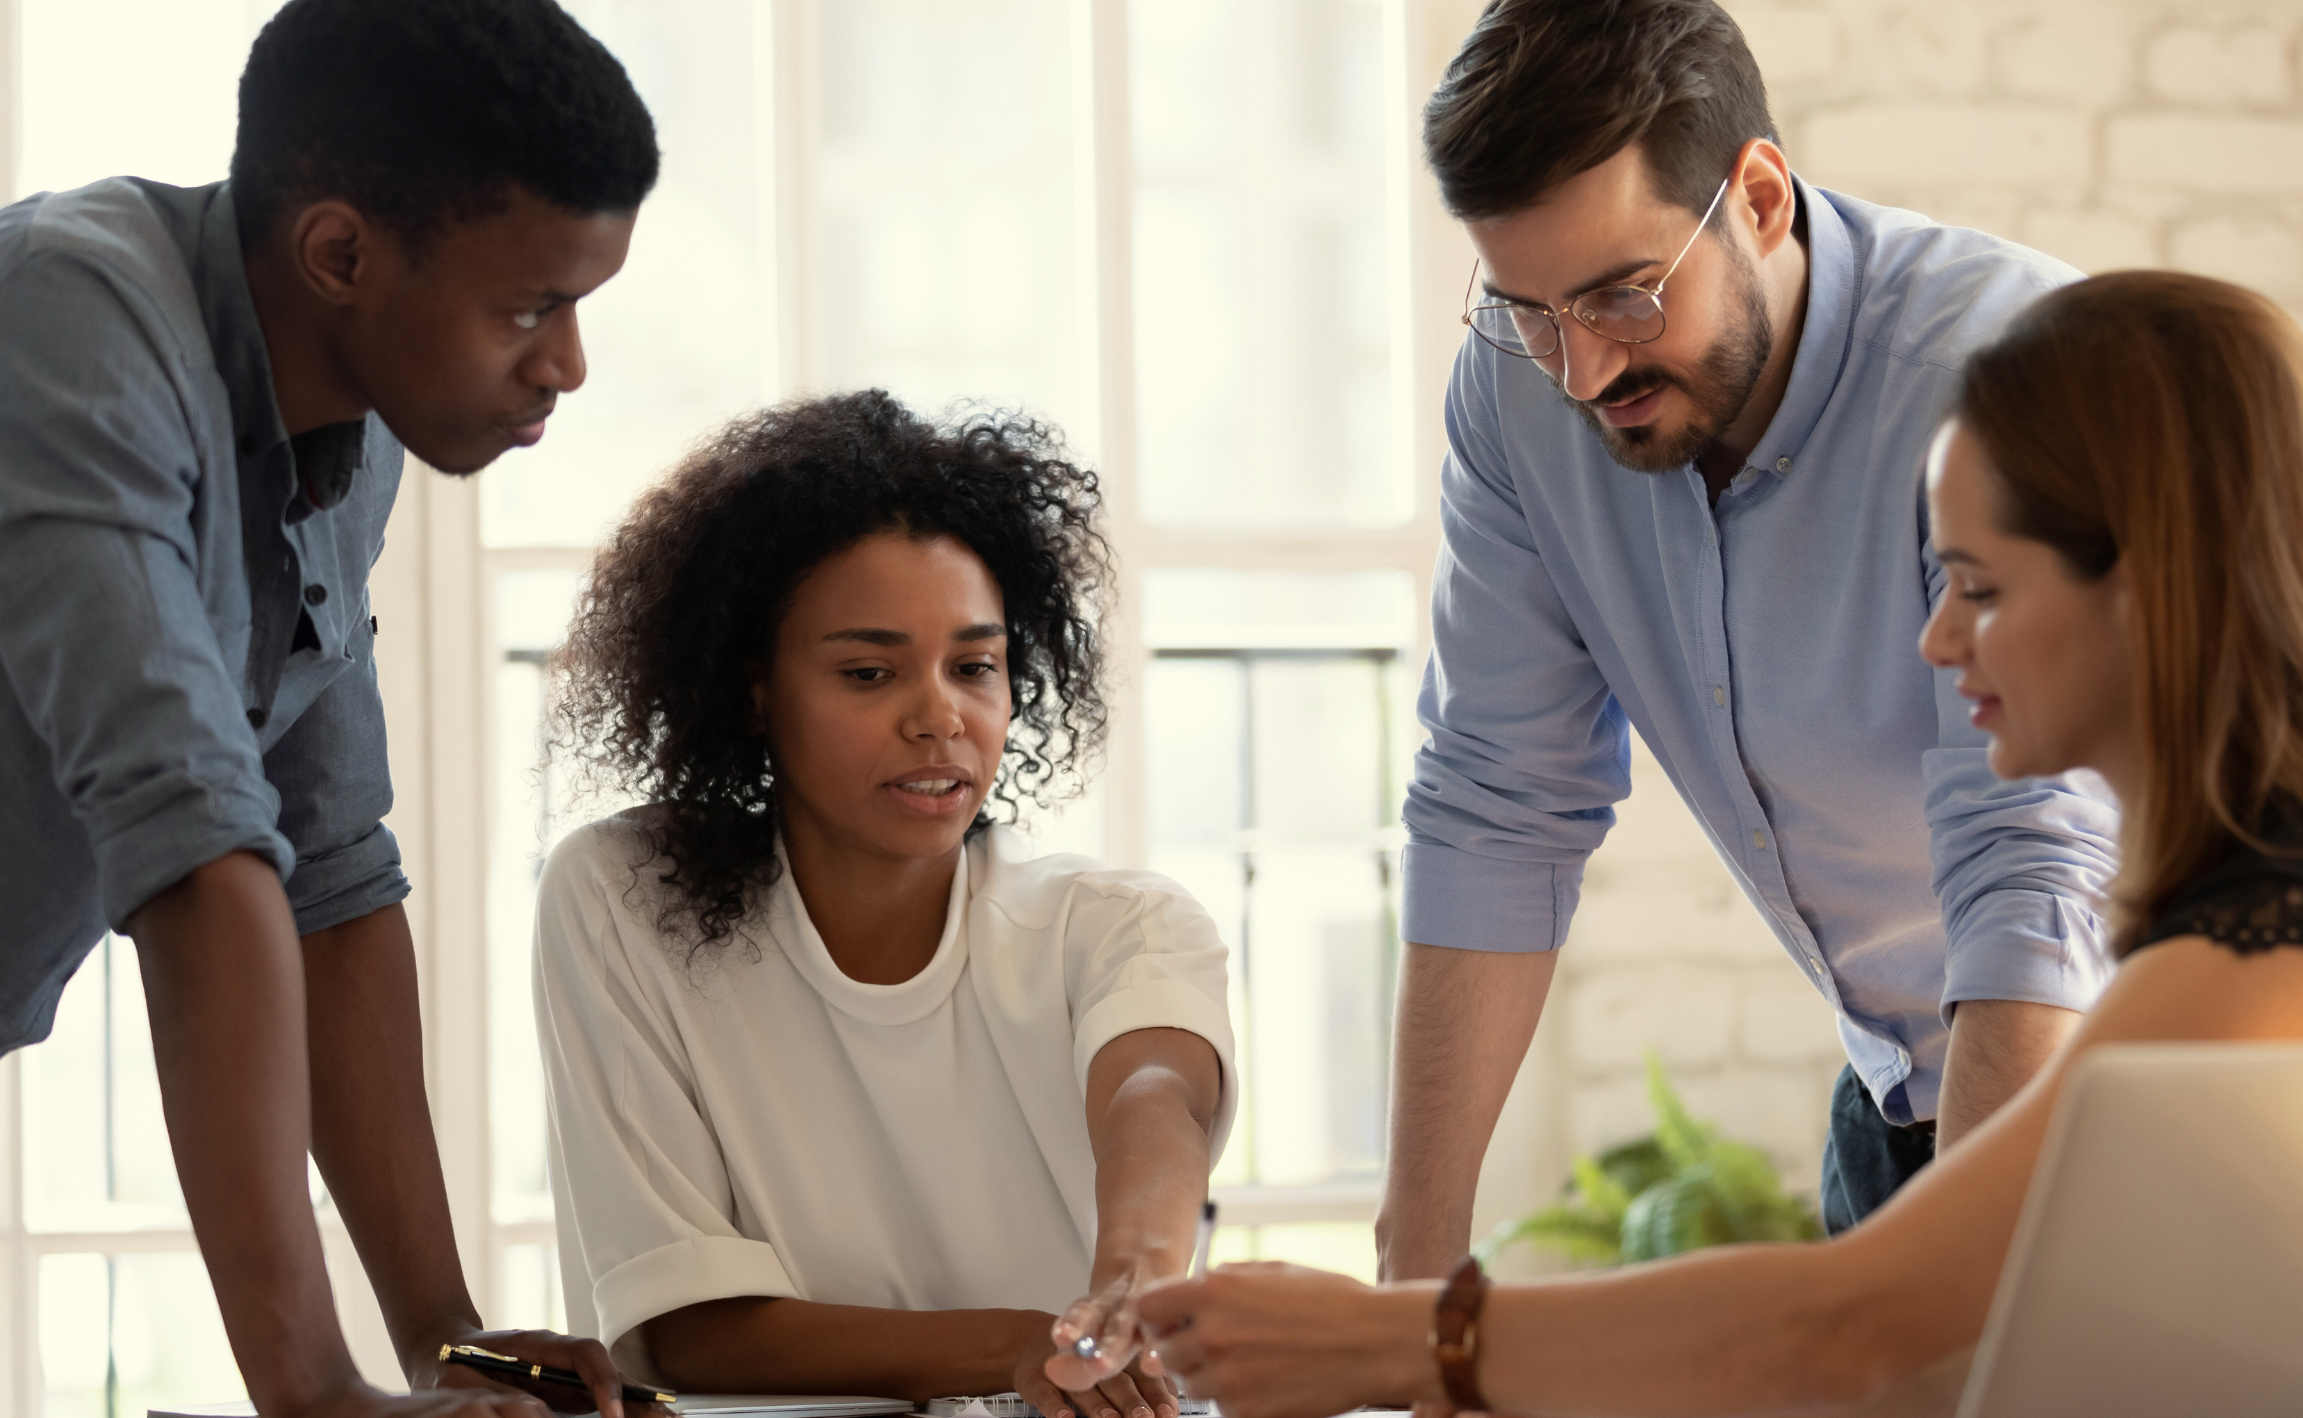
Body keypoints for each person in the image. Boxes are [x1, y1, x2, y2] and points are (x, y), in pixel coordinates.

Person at [1137, 272, 2303, 1418]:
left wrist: (1398, 1339)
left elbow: (1858, 1315)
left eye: (1983, 586)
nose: (1937, 637)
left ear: (2152, 586)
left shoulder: (2274, 955)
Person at [1378, 0, 2120, 1280]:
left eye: (1621, 295)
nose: (1579, 372)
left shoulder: (2005, 368)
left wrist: (1946, 1291)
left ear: (1761, 197)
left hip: (2106, 1106)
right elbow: (1497, 803)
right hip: (1897, 1092)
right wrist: (1410, 1290)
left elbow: (2030, 865)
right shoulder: (1517, 390)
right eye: (1527, 307)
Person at [0, 2, 657, 1414]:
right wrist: (318, 1394)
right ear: (342, 254)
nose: (569, 364)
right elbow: (190, 844)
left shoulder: (352, 447)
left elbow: (336, 882)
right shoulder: (70, 311)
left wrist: (443, 1335)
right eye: (532, 305)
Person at [533, 393, 1235, 1418]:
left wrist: (1130, 1283)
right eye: (869, 671)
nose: (939, 715)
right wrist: (1018, 1345)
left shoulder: (1120, 921)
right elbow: (688, 1330)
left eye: (976, 666)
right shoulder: (626, 896)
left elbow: (1157, 1094)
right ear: (754, 688)